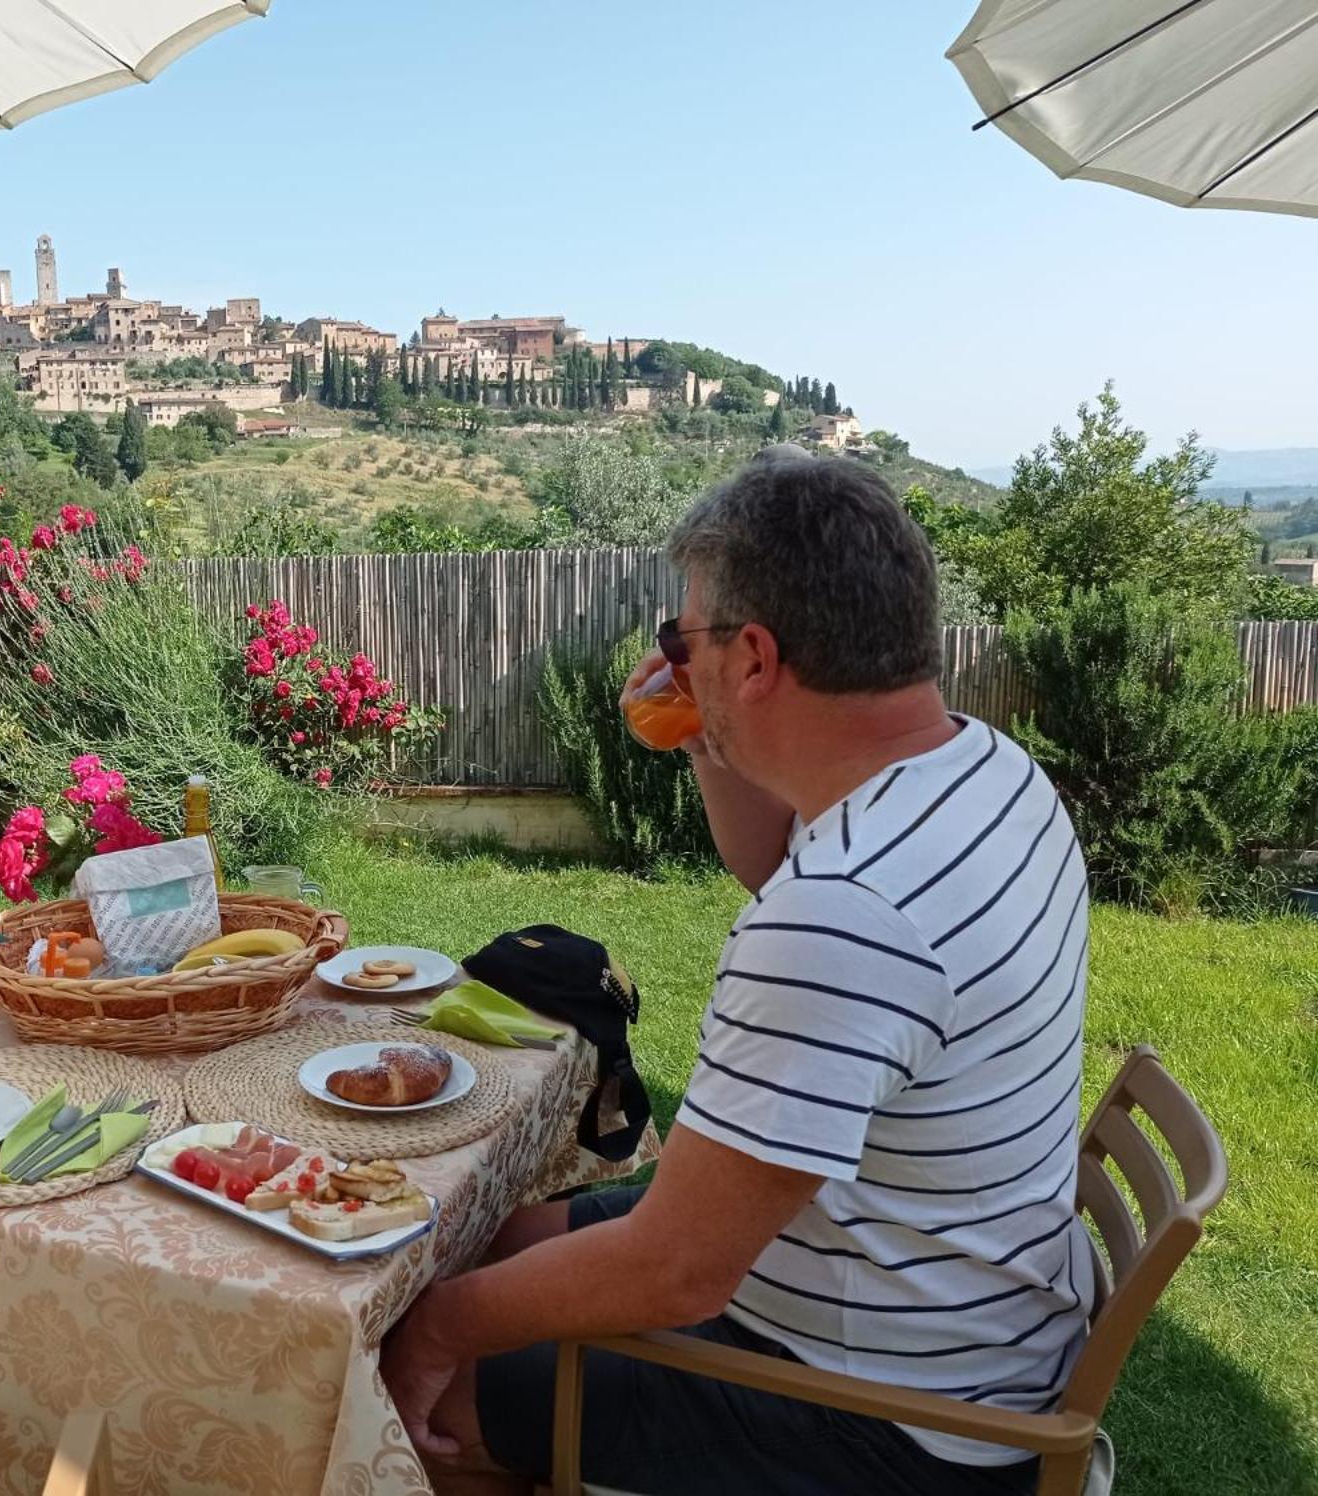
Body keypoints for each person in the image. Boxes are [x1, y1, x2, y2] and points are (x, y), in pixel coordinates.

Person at [380, 454, 1092, 1495]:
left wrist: (438, 1331)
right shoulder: (980, 770)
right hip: (946, 1309)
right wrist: (705, 734)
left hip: (880, 1422)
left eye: (683, 638)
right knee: (488, 1229)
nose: (671, 659)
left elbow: (676, 1268)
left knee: (420, 1382)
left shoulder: (844, 916)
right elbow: (776, 859)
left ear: (753, 654)